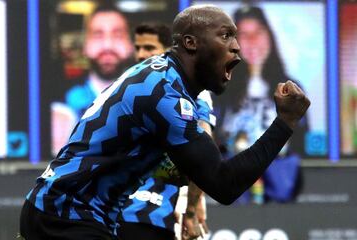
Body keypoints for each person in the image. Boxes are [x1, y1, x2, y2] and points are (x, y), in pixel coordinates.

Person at [20, 5, 310, 240]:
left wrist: (191, 201)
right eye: (225, 36)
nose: (237, 48)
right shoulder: (162, 92)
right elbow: (223, 184)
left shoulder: (168, 83)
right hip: (65, 214)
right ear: (190, 43)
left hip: (76, 214)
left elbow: (201, 168)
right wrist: (285, 122)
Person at [117, 22, 212, 240]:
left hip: (158, 215)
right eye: (137, 48)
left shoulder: (192, 93)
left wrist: (192, 204)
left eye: (149, 48)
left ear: (169, 51)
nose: (141, 55)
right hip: (116, 212)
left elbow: (203, 155)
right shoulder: (126, 87)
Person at [213, 5, 307, 203]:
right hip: (234, 186)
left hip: (281, 186)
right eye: (245, 34)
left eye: (258, 32)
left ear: (270, 36)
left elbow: (301, 143)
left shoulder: (292, 87)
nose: (253, 41)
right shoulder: (220, 89)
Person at [51, 4, 134, 155]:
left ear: (130, 45)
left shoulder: (152, 99)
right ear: (85, 45)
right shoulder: (62, 105)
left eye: (118, 35)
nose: (108, 45)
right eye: (98, 35)